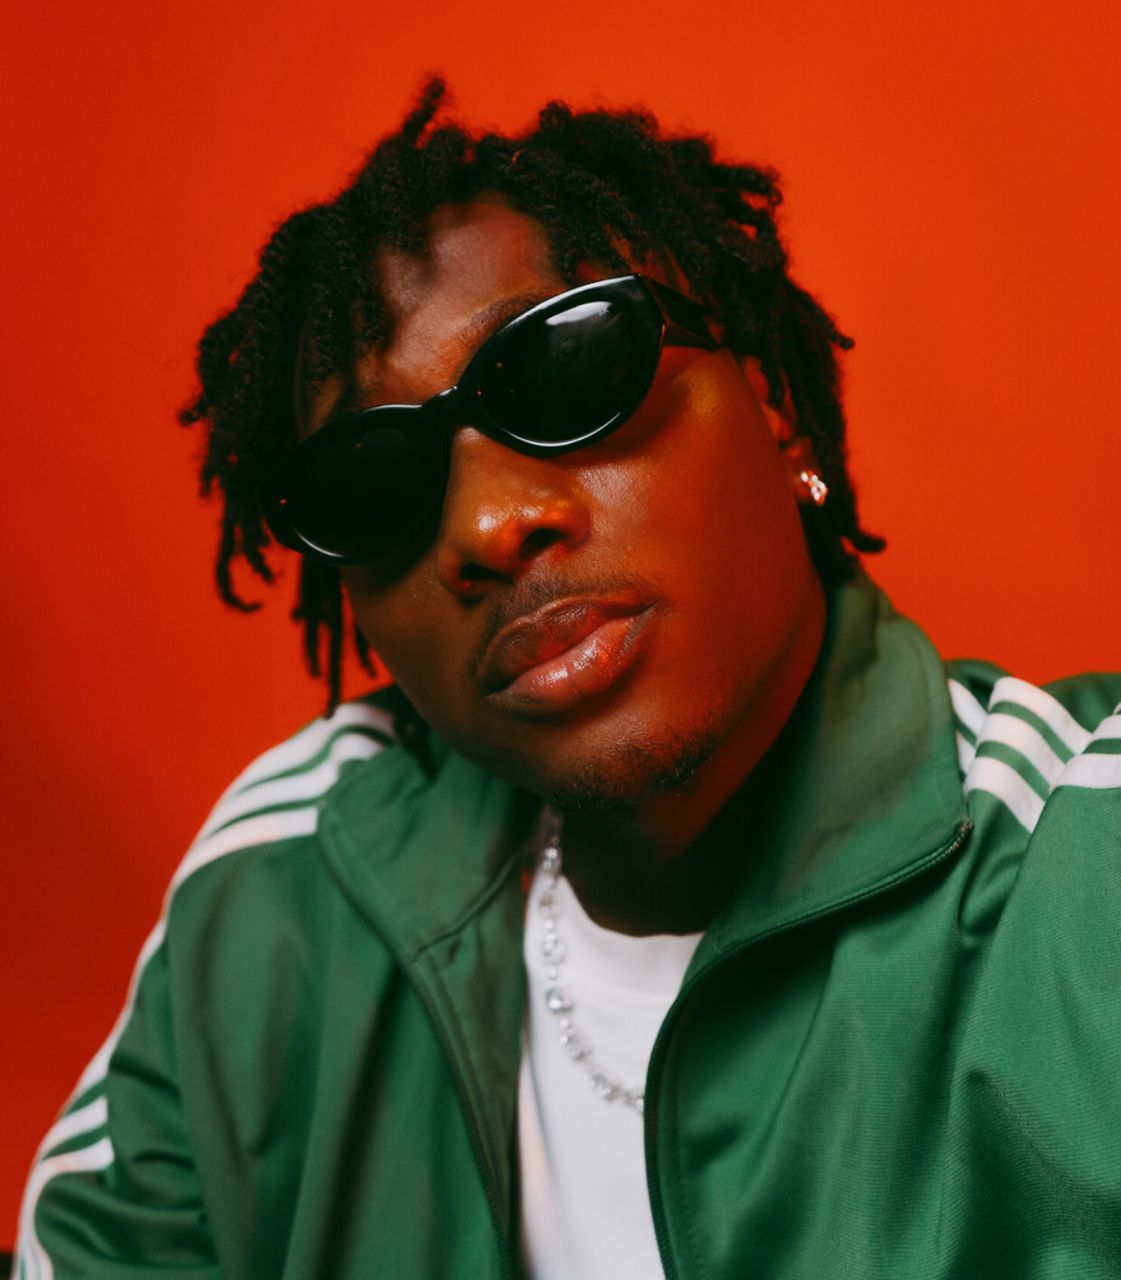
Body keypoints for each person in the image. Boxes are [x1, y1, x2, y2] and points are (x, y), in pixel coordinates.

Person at [14, 79, 1121, 1280]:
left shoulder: (1079, 870)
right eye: (371, 483)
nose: (488, 525)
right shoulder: (280, 900)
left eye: (568, 373)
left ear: (774, 405)